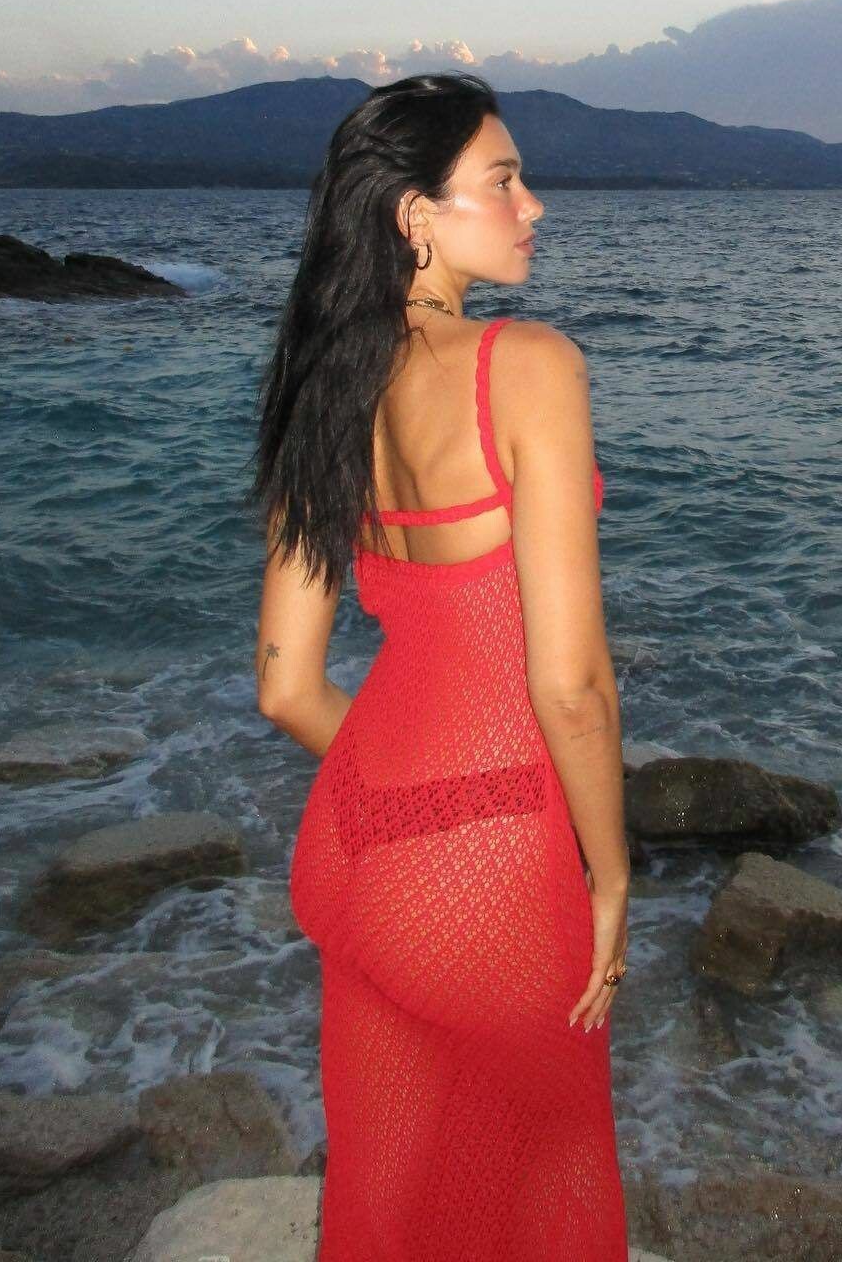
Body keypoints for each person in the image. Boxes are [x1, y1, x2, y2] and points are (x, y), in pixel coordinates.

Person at [249, 71, 631, 1259]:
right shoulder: (527, 364)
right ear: (416, 215)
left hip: (353, 846)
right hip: (490, 879)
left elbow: (285, 688)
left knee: (397, 1195)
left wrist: (412, 803)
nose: (534, 205)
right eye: (504, 180)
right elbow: (571, 688)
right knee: (551, 1192)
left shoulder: (326, 384)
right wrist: (611, 874)